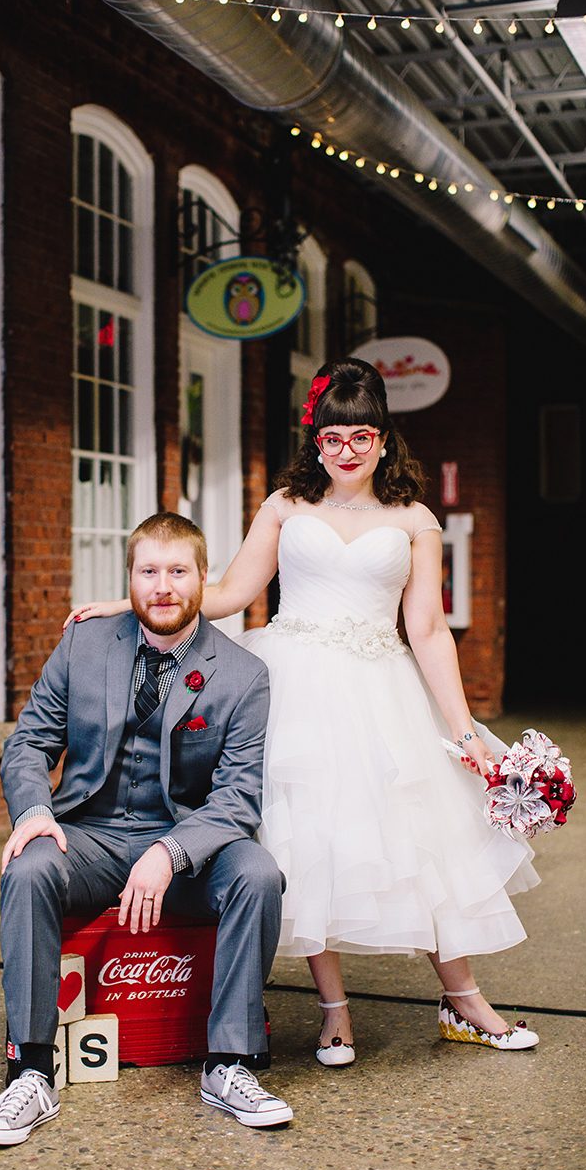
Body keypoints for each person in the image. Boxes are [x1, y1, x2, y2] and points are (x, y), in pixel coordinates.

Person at [66, 359, 541, 1066]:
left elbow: (428, 630)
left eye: (360, 436)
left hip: (383, 693)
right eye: (332, 437)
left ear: (383, 439)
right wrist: (134, 605)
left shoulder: (415, 520)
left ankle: (463, 1000)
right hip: (294, 688)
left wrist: (462, 729)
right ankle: (333, 1012)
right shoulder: (286, 505)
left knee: (420, 843)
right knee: (305, 843)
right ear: (316, 441)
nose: (346, 451)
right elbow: (230, 593)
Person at [0, 512, 292, 1147]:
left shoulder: (242, 674)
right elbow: (29, 743)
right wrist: (35, 813)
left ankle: (229, 1063)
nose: (163, 587)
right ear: (130, 578)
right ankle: (31, 1071)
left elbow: (237, 797)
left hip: (184, 843)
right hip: (89, 836)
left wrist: (172, 851)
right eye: (149, 571)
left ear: (203, 577)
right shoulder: (84, 645)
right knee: (30, 866)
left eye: (178, 571)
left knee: (258, 873)